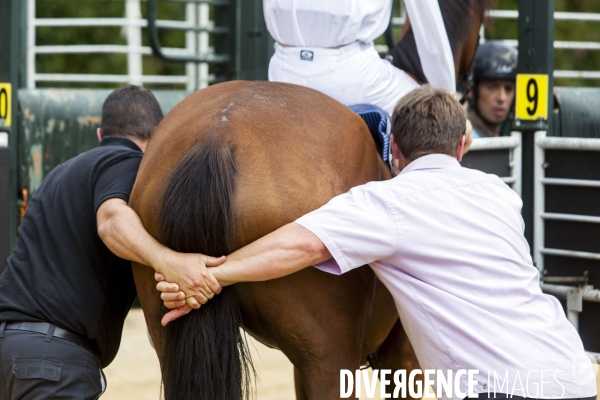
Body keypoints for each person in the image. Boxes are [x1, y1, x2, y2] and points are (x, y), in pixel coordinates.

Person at [157, 85, 597, 400]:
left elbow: (300, 247)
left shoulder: (388, 203)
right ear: (461, 146)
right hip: (568, 374)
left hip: (497, 390)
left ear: (393, 148)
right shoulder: (500, 194)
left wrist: (211, 275)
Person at [0, 85, 220, 399]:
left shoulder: (59, 174)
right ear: (157, 136)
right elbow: (112, 220)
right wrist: (169, 261)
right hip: (53, 362)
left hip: (8, 351)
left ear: (101, 133)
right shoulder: (127, 163)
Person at [264, 0, 456, 116]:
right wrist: (447, 95)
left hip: (282, 70)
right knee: (432, 115)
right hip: (353, 72)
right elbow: (429, 26)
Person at [467, 41, 518, 138]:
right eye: (492, 87)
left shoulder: (510, 144)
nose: (502, 98)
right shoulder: (458, 143)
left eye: (508, 89)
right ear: (471, 89)